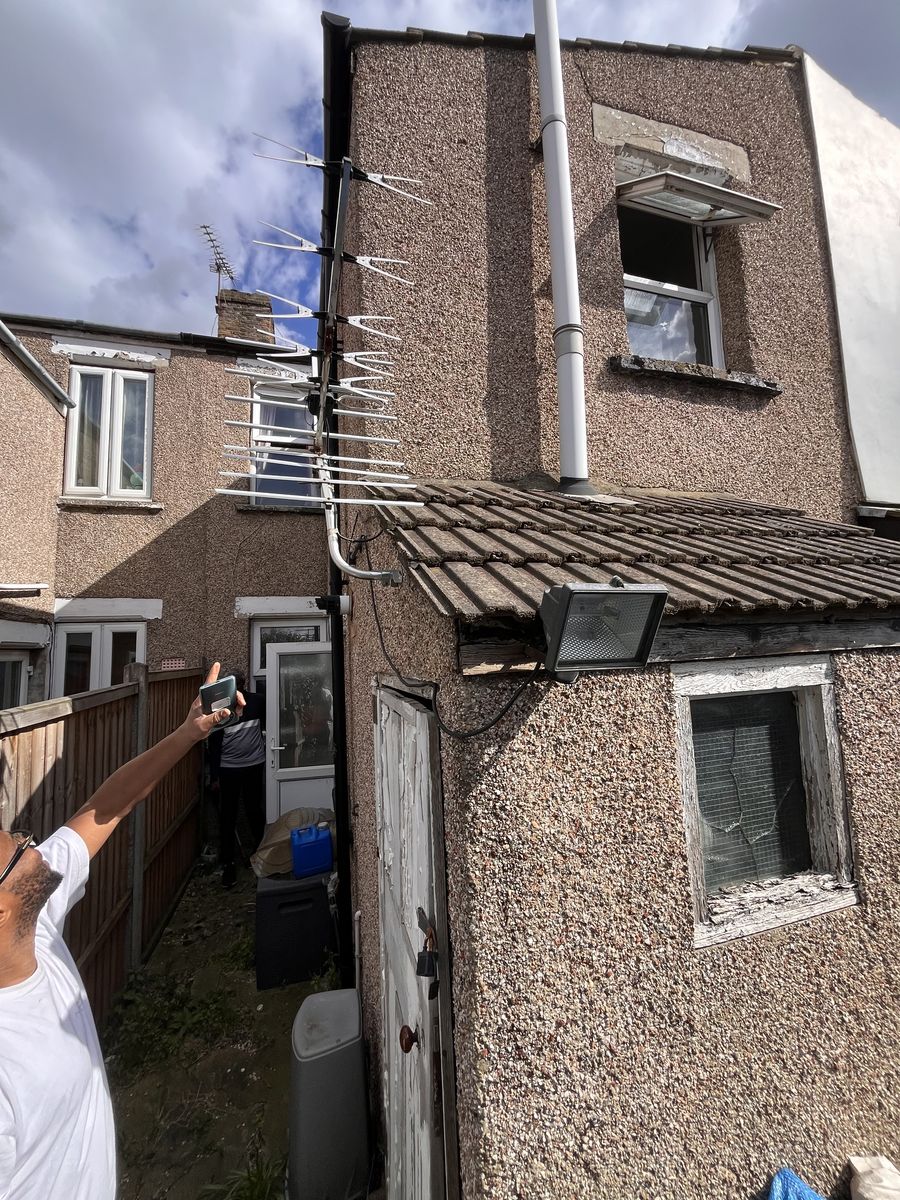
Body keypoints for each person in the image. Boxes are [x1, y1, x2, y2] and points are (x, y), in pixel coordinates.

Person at [0, 663, 240, 1200]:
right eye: (16, 847)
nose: (28, 839)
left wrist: (187, 732)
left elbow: (104, 809)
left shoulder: (33, 928)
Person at [207, 668, 266, 888]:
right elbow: (214, 746)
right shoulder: (221, 711)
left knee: (253, 810)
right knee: (228, 816)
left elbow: (271, 725)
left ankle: (261, 854)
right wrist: (215, 776)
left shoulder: (257, 702)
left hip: (254, 765)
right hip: (229, 769)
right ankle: (228, 864)